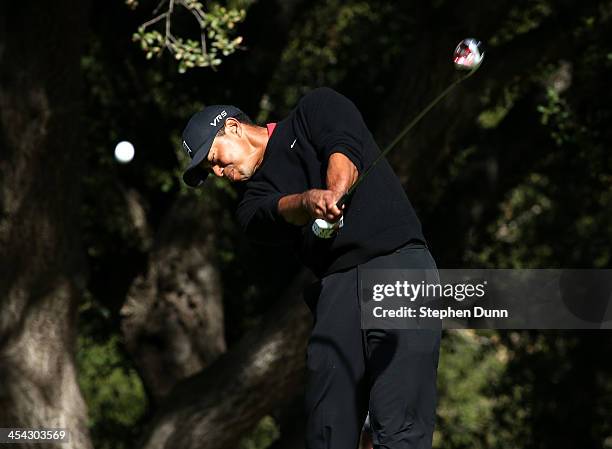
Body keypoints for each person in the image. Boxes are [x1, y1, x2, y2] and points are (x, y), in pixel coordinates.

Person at [180, 87, 441, 449]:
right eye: (212, 170)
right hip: (337, 289)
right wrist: (310, 201)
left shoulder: (314, 109)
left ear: (235, 128)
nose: (220, 172)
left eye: (215, 158)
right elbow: (281, 209)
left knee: (400, 423)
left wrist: (334, 191)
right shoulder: (248, 207)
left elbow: (343, 150)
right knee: (327, 428)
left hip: (398, 266)